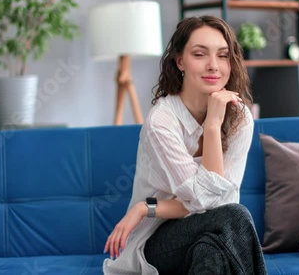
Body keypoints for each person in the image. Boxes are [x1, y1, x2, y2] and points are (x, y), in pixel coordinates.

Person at [103, 15, 267, 275]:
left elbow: (220, 201)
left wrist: (146, 207)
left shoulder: (241, 118)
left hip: (212, 231)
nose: (214, 65)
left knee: (211, 250)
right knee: (236, 216)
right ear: (180, 61)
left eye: (223, 55)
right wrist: (213, 125)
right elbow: (208, 201)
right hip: (157, 241)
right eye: (200, 54)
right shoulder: (162, 121)